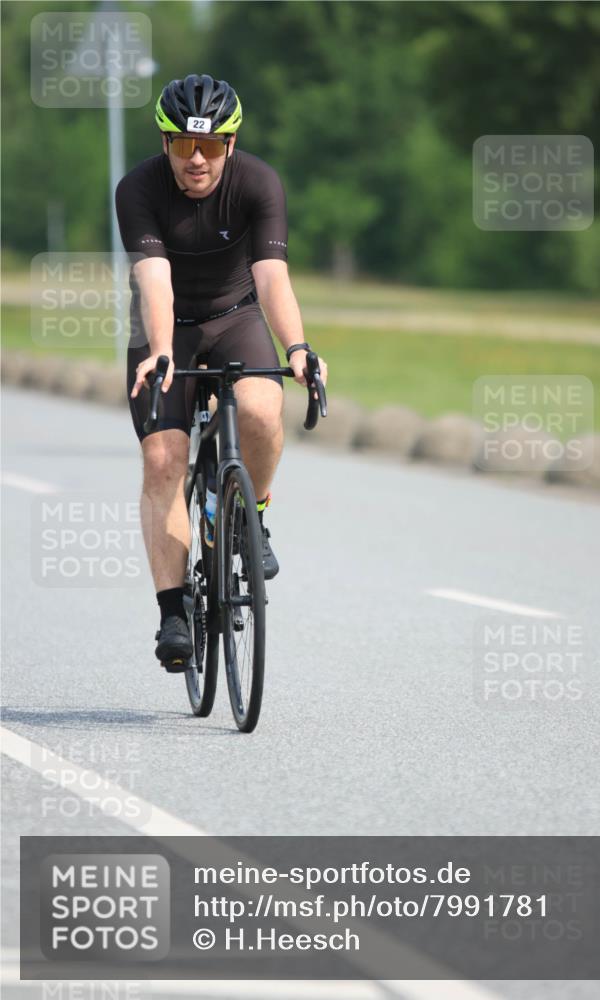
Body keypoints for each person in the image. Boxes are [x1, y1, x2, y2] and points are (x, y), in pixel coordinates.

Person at [115, 74, 327, 671]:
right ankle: (173, 614)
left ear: (231, 144)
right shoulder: (137, 189)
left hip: (235, 317)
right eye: (183, 145)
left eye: (210, 146)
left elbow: (271, 277)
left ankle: (251, 517)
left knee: (262, 410)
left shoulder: (259, 183)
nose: (197, 159)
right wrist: (160, 350)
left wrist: (298, 348)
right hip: (166, 329)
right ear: (165, 145)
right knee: (163, 458)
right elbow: (154, 278)